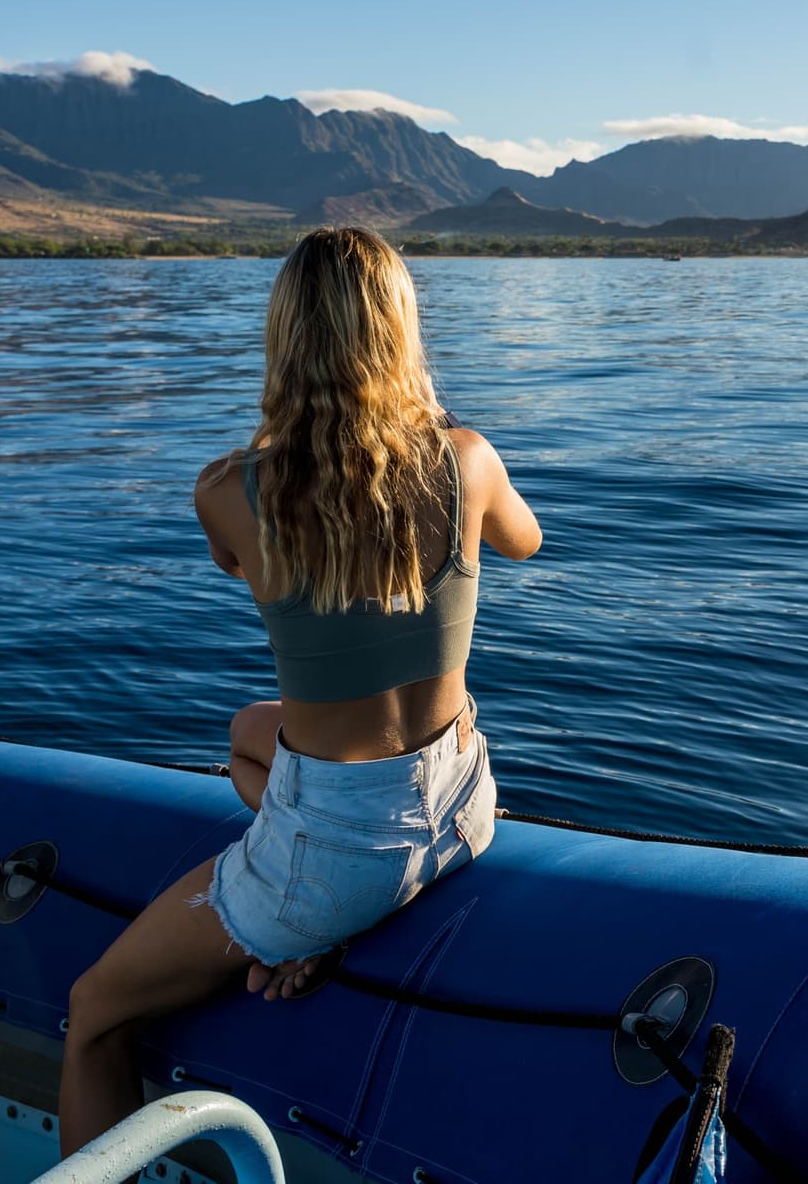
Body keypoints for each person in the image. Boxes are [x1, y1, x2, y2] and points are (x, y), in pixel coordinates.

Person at [58, 227, 542, 1153]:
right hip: (463, 803)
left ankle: (312, 917)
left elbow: (248, 566)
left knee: (94, 1012)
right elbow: (527, 541)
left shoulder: (228, 492)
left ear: (284, 337)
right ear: (402, 332)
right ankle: (325, 903)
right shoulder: (468, 457)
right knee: (248, 735)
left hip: (344, 843)